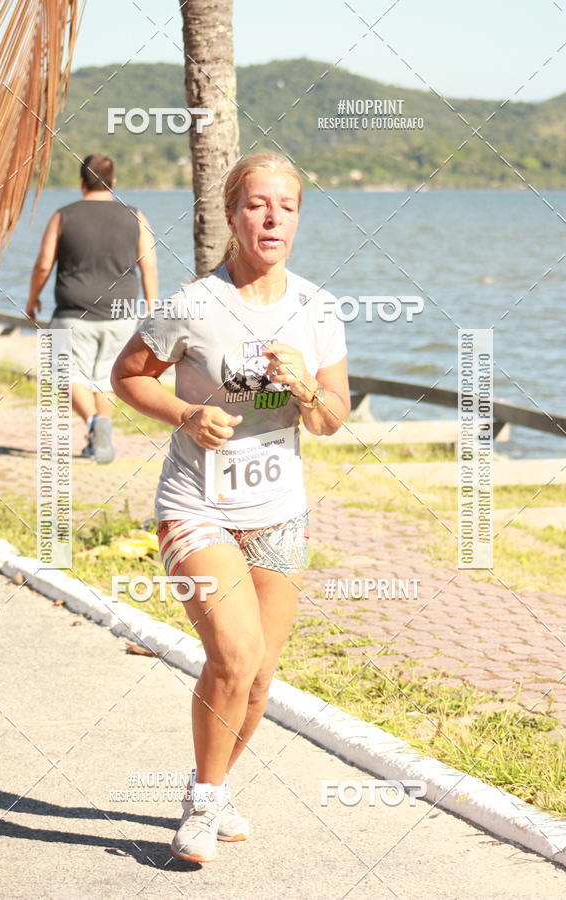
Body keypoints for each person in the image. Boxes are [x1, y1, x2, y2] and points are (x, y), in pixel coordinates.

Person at [111, 152, 350, 863]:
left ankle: (212, 786)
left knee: (260, 677)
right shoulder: (192, 305)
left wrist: (306, 388)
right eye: (257, 204)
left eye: (287, 206)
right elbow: (127, 376)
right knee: (235, 654)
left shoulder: (319, 308)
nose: (272, 218)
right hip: (197, 505)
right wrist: (186, 414)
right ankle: (203, 803)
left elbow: (331, 420)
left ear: (298, 219)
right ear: (232, 214)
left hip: (278, 512)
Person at [25, 153, 158, 463]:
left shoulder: (63, 216)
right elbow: (149, 265)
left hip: (73, 311)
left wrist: (32, 301)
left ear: (81, 182)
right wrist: (151, 305)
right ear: (114, 182)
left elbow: (43, 265)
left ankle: (94, 423)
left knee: (65, 374)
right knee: (107, 376)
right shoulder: (135, 216)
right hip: (122, 314)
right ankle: (100, 435)